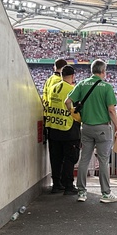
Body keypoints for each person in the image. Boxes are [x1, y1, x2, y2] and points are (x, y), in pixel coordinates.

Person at [66, 60, 117, 203]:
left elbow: (67, 101)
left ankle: (82, 192)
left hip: (86, 127)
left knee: (84, 159)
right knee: (103, 160)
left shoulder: (82, 84)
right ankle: (105, 194)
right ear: (103, 71)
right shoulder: (106, 87)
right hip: (102, 128)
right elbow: (111, 110)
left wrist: (74, 115)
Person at [44, 64, 80, 195]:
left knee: (56, 158)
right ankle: (68, 185)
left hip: (53, 128)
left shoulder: (52, 88)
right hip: (68, 129)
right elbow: (76, 110)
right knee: (70, 158)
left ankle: (56, 184)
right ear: (72, 76)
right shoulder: (72, 90)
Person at [42, 59, 67, 191]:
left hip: (49, 120)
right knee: (62, 155)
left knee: (54, 155)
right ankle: (60, 182)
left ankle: (56, 182)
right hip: (61, 122)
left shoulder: (49, 80)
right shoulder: (61, 83)